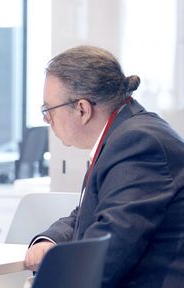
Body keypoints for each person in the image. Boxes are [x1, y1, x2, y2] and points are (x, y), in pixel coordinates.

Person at [24, 45, 184, 287]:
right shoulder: (126, 132)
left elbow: (109, 250)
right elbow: (92, 212)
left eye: (48, 110)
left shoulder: (138, 143)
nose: (47, 120)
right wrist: (52, 239)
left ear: (82, 109)